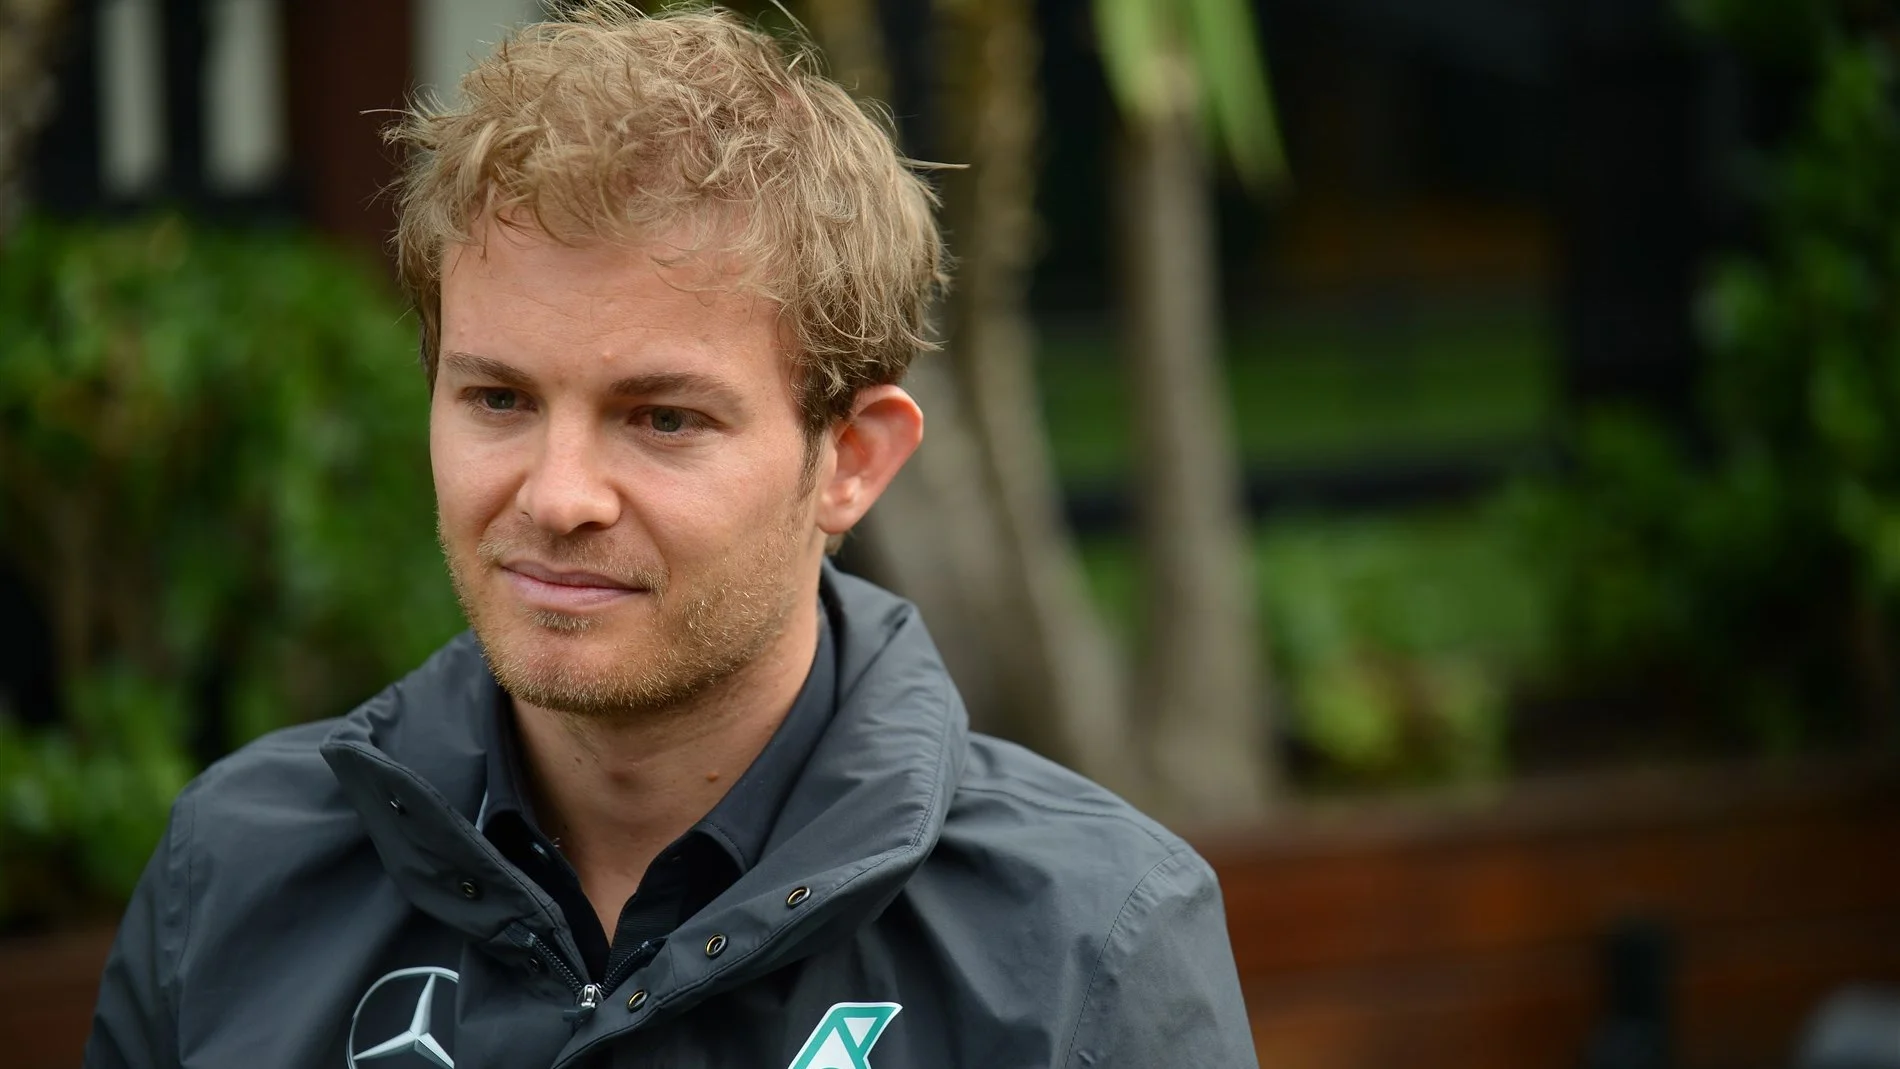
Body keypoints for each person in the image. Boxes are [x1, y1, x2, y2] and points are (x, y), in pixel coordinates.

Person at [83, 4, 1258, 1066]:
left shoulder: (1085, 945)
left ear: (850, 459)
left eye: (661, 418)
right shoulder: (236, 873)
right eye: (500, 399)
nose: (558, 494)